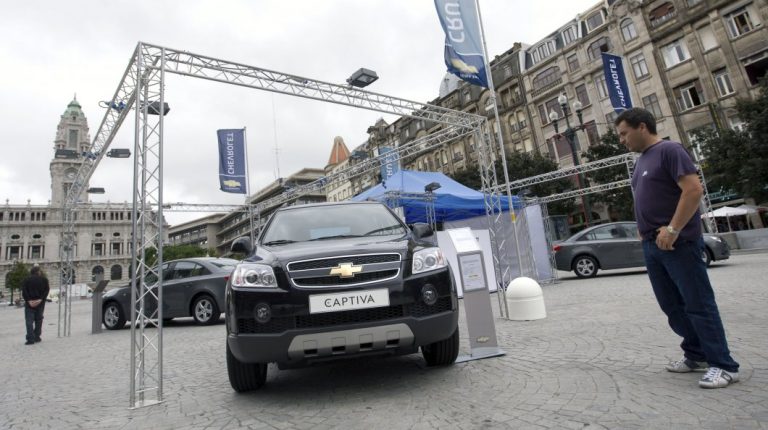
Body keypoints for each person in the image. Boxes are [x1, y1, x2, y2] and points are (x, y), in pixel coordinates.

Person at [615, 107, 739, 389]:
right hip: (653, 244)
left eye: (624, 133)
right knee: (671, 305)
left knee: (698, 303)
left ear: (642, 127)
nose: (622, 140)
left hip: (678, 243)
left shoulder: (670, 150)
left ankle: (724, 365)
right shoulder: (641, 161)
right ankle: (697, 354)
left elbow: (693, 190)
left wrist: (673, 228)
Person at [21, 265, 50, 345]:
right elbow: (46, 290)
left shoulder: (26, 280)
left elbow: (24, 291)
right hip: (40, 303)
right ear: (38, 272)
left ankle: (30, 339)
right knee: (39, 320)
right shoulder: (44, 280)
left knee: (29, 321)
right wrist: (41, 299)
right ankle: (37, 336)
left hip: (29, 303)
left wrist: (29, 300)